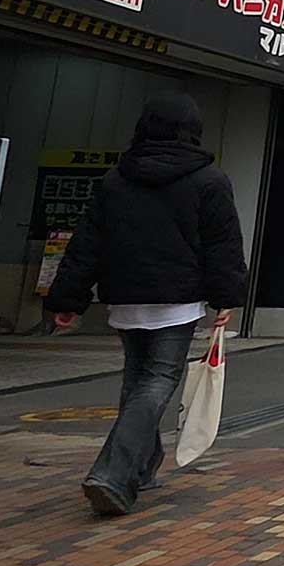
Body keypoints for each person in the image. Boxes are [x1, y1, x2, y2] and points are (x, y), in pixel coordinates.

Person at [45, 93, 247, 515]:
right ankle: (113, 473)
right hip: (177, 301)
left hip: (124, 298)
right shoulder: (208, 180)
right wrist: (225, 298)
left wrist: (69, 299)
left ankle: (142, 468)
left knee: (136, 381)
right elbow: (221, 247)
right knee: (157, 382)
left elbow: (88, 245)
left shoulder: (117, 179)